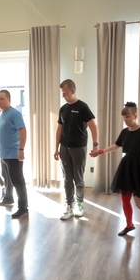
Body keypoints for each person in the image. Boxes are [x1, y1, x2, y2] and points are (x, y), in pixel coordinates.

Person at [92, 102, 140, 236]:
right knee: (125, 199)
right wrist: (101, 151)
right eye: (124, 117)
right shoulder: (124, 132)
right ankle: (129, 225)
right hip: (127, 166)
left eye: (128, 116)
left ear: (135, 116)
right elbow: (116, 145)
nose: (125, 119)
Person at [54, 79, 99, 220]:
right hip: (64, 148)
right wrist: (56, 148)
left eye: (65, 93)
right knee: (67, 178)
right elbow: (59, 129)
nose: (63, 96)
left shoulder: (82, 107)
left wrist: (95, 145)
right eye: (62, 93)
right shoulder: (63, 109)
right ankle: (69, 205)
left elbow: (93, 127)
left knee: (78, 178)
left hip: (79, 148)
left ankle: (79, 204)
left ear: (73, 91)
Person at [0, 90, 29, 219]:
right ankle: (9, 198)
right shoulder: (1, 114)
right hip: (4, 155)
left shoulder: (14, 113)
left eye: (2, 99)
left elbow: (23, 130)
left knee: (18, 181)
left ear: (9, 100)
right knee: (9, 180)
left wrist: (21, 149)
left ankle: (23, 208)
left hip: (13, 154)